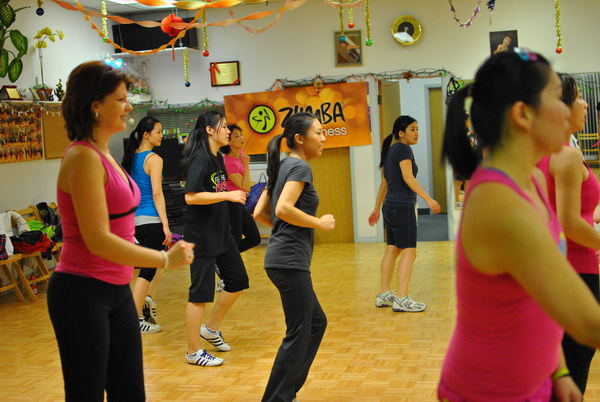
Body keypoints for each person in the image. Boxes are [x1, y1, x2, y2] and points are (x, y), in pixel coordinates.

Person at [438, 48, 600, 401]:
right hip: (488, 391)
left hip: (532, 382)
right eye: (558, 97)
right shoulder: (500, 203)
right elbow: (588, 323)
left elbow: (540, 298)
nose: (570, 109)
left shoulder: (534, 181)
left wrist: (559, 370)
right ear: (523, 114)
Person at [47, 61, 194, 401]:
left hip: (116, 290)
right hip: (82, 292)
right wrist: (163, 259)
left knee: (129, 392)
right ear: (95, 106)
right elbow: (98, 240)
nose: (129, 106)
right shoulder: (82, 157)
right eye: (120, 99)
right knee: (85, 393)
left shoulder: (105, 154)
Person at [254, 112, 334, 402]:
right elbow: (282, 209)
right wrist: (318, 223)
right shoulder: (299, 167)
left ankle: (287, 391)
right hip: (288, 260)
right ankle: (277, 398)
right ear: (300, 139)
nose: (324, 138)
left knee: (315, 323)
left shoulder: (283, 165)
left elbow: (259, 213)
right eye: (319, 133)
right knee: (299, 330)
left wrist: (284, 230)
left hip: (283, 258)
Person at [537, 73, 597, 394]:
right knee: (572, 373)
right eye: (578, 98)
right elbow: (570, 224)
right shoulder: (566, 156)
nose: (585, 104)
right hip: (576, 273)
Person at [182, 110, 249, 367]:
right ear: (209, 130)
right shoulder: (200, 159)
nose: (228, 131)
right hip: (201, 237)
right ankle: (193, 352)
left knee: (238, 280)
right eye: (223, 126)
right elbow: (191, 197)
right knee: (200, 294)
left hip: (222, 234)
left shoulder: (217, 157)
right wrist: (227, 195)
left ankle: (210, 328)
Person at [368, 116, 440, 313]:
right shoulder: (403, 149)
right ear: (401, 133)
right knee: (409, 252)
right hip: (402, 207)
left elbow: (384, 184)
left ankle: (384, 295)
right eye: (412, 129)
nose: (417, 133)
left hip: (390, 206)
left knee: (392, 250)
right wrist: (428, 198)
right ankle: (402, 298)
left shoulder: (391, 150)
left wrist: (377, 208)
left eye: (417, 129)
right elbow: (408, 177)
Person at [122, 116, 172, 334]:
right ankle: (135, 318)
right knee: (148, 269)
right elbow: (157, 194)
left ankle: (148, 299)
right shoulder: (154, 159)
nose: (162, 135)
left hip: (135, 222)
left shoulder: (130, 157)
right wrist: (166, 226)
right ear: (146, 134)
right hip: (151, 220)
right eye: (158, 132)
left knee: (159, 262)